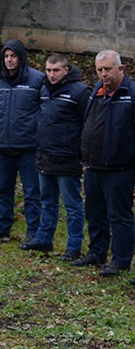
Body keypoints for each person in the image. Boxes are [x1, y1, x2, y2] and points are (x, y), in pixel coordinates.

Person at [73, 50, 135, 278]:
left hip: (120, 168)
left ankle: (120, 260)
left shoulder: (131, 93)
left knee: (119, 216)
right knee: (95, 213)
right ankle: (97, 252)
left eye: (108, 69)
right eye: (100, 70)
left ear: (120, 69)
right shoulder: (95, 94)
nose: (103, 74)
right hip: (93, 167)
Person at [23, 54, 90, 260]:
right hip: (45, 156)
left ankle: (74, 246)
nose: (52, 75)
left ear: (66, 71)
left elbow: (87, 124)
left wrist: (80, 153)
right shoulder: (44, 89)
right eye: (49, 70)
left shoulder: (79, 92)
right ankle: (44, 239)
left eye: (56, 71)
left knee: (72, 205)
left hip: (67, 158)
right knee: (47, 202)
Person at [0, 39, 43, 245]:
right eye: (6, 56)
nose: (9, 60)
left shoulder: (37, 80)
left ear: (21, 58)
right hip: (3, 146)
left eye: (13, 56)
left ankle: (33, 231)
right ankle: (2, 227)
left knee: (32, 192)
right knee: (3, 190)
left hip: (28, 147)